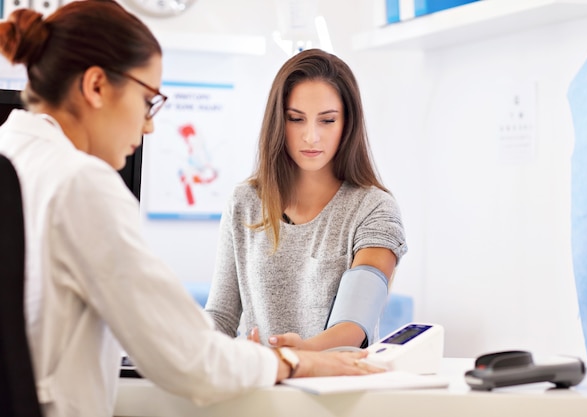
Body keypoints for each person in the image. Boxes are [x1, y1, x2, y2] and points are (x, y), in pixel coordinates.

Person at [0, 2, 382, 417]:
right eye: (148, 101)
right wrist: (293, 361)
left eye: (327, 120)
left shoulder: (12, 152)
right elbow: (191, 356)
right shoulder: (82, 182)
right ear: (95, 87)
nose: (149, 126)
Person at [205, 48, 408, 351]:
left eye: (327, 120)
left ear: (347, 124)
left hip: (335, 391)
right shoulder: (244, 201)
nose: (311, 136)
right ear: (278, 122)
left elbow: (353, 325)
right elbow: (221, 316)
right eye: (296, 119)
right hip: (256, 387)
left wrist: (298, 355)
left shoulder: (375, 209)